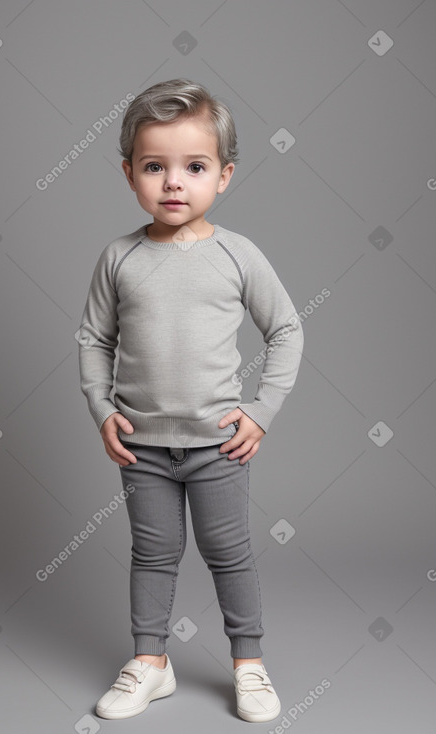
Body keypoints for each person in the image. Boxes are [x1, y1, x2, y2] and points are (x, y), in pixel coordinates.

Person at [78, 78, 304, 723]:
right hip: (143, 445)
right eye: (155, 167)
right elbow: (93, 338)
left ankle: (249, 664)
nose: (174, 182)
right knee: (151, 553)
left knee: (228, 553)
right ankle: (150, 663)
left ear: (224, 176)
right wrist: (103, 410)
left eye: (194, 167)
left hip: (216, 445)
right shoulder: (118, 258)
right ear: (130, 175)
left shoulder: (238, 256)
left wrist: (261, 410)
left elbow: (286, 329)